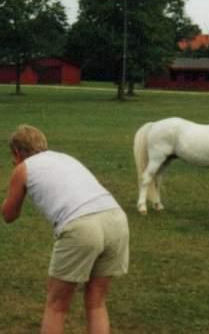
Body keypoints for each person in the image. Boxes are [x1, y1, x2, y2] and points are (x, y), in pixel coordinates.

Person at [2, 125, 129, 334]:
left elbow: (9, 215)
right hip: (115, 219)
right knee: (96, 302)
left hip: (81, 226)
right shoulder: (64, 157)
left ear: (16, 152)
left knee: (56, 306)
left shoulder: (23, 168)